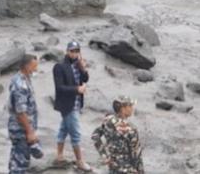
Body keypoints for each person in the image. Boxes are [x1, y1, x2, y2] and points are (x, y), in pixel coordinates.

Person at [52, 41, 92, 171]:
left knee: (63, 129)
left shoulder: (78, 64)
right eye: (72, 51)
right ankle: (80, 161)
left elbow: (85, 79)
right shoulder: (59, 67)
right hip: (67, 105)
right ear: (67, 51)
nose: (74, 54)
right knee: (75, 134)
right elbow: (59, 87)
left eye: (76, 51)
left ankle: (59, 156)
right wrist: (77, 89)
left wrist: (83, 68)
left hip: (76, 103)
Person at [92, 96, 144, 174]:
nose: (132, 108)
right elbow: (136, 155)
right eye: (130, 106)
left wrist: (104, 155)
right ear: (122, 109)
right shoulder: (131, 129)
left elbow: (95, 135)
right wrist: (140, 171)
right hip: (128, 169)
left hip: (113, 166)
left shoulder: (107, 120)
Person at [8, 54, 41, 174]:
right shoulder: (20, 85)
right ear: (27, 67)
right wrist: (30, 132)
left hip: (21, 128)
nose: (36, 69)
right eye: (34, 67)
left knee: (16, 159)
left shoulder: (23, 78)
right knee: (20, 164)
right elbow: (20, 112)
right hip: (20, 129)